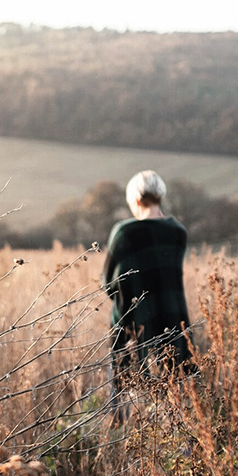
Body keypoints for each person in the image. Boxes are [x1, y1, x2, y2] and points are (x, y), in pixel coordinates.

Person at [101, 170, 194, 416]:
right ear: (159, 197)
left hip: (133, 323)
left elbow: (109, 283)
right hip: (174, 319)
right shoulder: (178, 232)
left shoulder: (124, 233)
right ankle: (180, 444)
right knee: (176, 393)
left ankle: (121, 431)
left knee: (124, 392)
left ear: (136, 200)